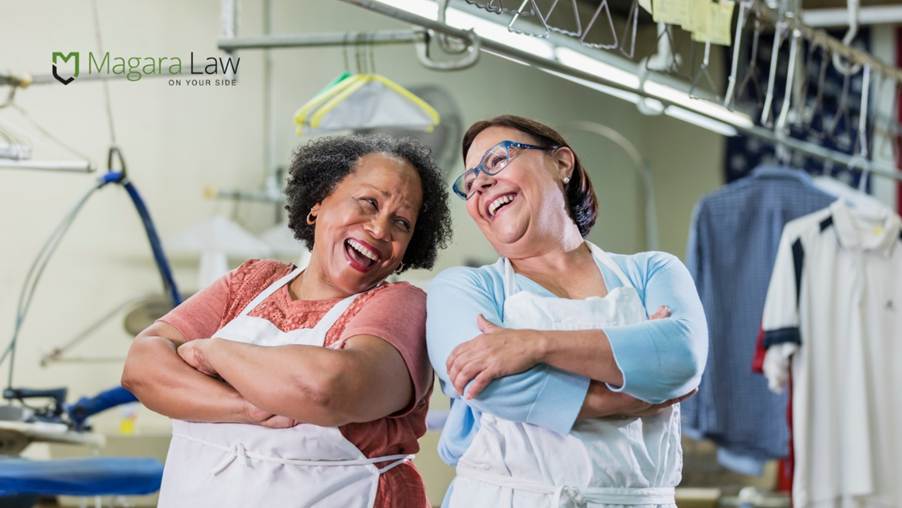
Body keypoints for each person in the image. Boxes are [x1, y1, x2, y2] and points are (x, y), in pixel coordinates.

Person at [122, 135, 452, 508]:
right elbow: (141, 368)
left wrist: (212, 352)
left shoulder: (403, 305)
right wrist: (247, 408)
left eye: (402, 222)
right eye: (369, 203)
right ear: (318, 204)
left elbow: (326, 388)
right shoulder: (249, 282)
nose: (379, 230)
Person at [426, 115, 707, 507]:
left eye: (497, 160)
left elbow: (680, 356)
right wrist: (626, 397)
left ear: (561, 163)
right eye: (470, 184)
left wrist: (534, 345)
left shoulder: (653, 270)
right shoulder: (461, 288)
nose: (481, 184)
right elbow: (486, 384)